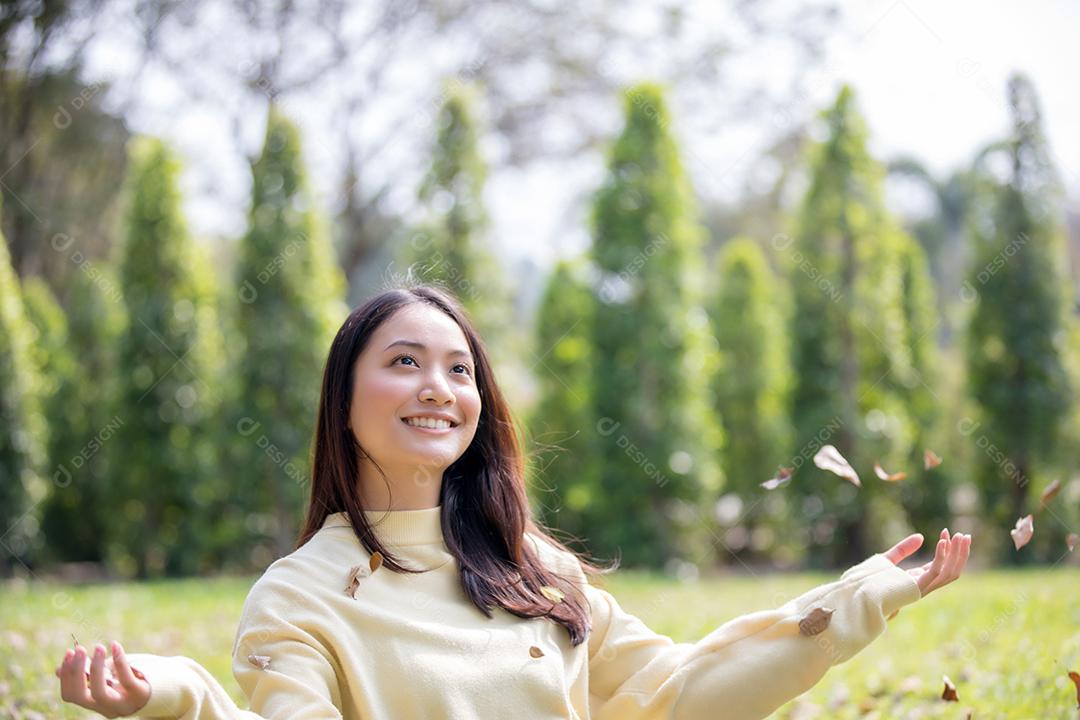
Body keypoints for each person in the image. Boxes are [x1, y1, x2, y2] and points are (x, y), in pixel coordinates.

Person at [55, 283, 970, 719]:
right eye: (403, 362)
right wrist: (173, 696)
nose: (437, 388)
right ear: (343, 398)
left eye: (460, 369)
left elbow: (680, 692)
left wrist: (857, 600)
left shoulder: (535, 570)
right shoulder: (300, 597)